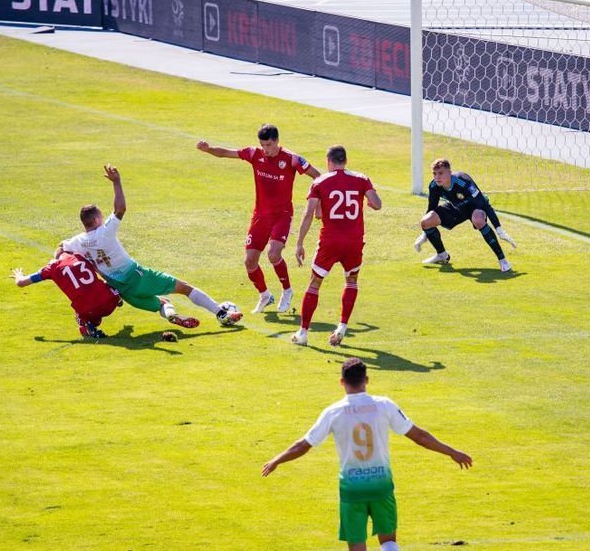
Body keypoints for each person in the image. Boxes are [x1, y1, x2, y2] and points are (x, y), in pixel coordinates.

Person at [262, 358, 472, 551]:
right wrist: (452, 452)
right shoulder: (384, 405)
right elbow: (419, 436)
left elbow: (303, 445)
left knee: (357, 546)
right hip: (381, 486)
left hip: (352, 490)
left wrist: (277, 460)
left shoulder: (333, 412)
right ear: (367, 380)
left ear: (341, 382)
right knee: (389, 542)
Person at [60, 164, 237, 329]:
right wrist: (117, 182)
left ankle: (172, 316)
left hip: (123, 291)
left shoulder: (78, 242)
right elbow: (120, 209)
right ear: (97, 220)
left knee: (162, 302)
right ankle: (221, 313)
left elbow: (60, 250)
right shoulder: (104, 232)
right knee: (184, 288)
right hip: (138, 277)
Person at [197, 124, 319, 314]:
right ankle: (264, 295)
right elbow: (225, 153)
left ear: (277, 141)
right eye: (263, 145)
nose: (266, 150)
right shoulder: (254, 154)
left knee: (273, 254)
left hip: (282, 215)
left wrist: (318, 203)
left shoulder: (292, 159)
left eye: (269, 145)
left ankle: (287, 290)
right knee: (250, 262)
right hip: (260, 216)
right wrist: (209, 149)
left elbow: (317, 177)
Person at [291, 145, 381, 347]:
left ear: (328, 161)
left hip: (330, 241)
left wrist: (299, 243)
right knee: (351, 281)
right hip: (354, 241)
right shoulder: (361, 178)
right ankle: (342, 327)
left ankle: (303, 332)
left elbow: (310, 214)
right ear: (345, 160)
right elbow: (377, 203)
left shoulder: (320, 181)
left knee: (314, 283)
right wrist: (368, 203)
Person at [415, 159, 515, 272]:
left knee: (478, 220)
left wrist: (499, 229)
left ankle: (503, 260)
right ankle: (442, 255)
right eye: (434, 173)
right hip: (456, 208)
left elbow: (484, 204)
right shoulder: (434, 186)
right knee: (426, 221)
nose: (437, 177)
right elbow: (431, 208)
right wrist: (424, 233)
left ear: (449, 173)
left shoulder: (462, 180)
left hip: (475, 207)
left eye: (441, 173)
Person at [12, 251, 124, 339]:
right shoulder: (80, 256)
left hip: (88, 310)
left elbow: (21, 283)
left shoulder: (52, 267)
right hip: (110, 302)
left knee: (79, 308)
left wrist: (19, 275)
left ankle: (86, 326)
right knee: (109, 283)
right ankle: (118, 298)